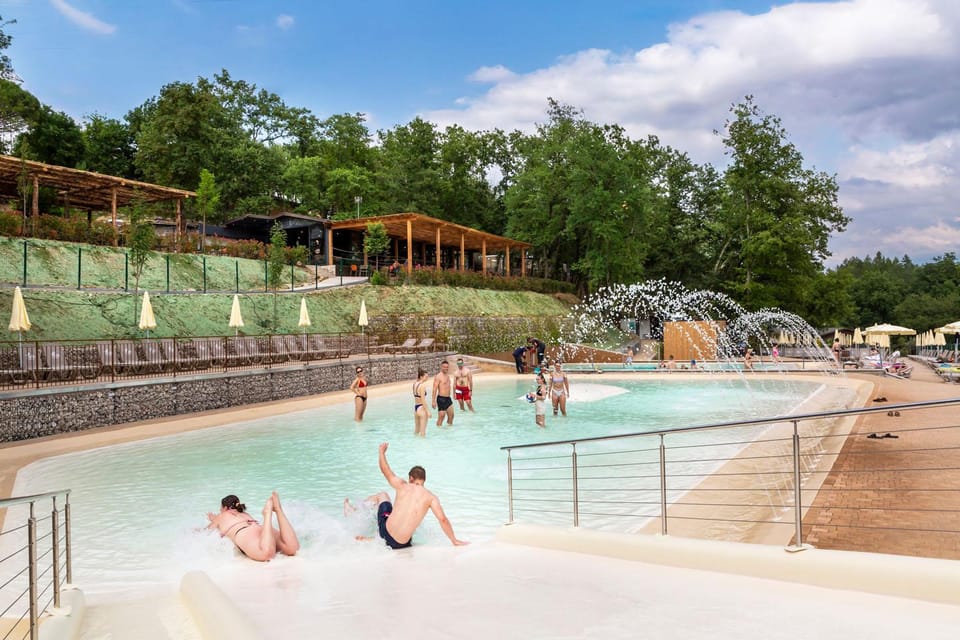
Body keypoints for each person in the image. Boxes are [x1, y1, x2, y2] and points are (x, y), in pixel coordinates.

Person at [354, 442, 468, 549]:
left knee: (382, 495)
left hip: (386, 534)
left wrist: (381, 452)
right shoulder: (431, 497)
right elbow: (443, 519)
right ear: (424, 480)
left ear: (411, 478)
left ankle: (355, 510)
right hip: (402, 545)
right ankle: (374, 539)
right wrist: (454, 540)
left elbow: (385, 470)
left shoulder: (403, 485)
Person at [206, 492, 300, 562]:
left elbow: (206, 531)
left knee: (266, 554)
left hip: (245, 532)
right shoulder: (245, 514)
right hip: (261, 528)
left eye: (220, 509)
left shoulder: (222, 515)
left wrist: (214, 520)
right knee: (292, 549)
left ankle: (267, 515)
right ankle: (278, 510)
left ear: (225, 508)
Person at [432, 359, 455, 427]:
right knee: (441, 417)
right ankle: (439, 431)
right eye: (444, 367)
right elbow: (434, 389)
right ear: (441, 367)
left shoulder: (447, 376)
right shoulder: (438, 376)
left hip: (448, 398)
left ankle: (449, 430)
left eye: (447, 367)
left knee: (451, 415)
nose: (446, 368)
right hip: (441, 399)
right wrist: (433, 401)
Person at [412, 368, 431, 437]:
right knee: (423, 433)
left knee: (416, 431)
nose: (427, 378)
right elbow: (423, 400)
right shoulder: (422, 386)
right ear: (421, 377)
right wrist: (428, 411)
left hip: (416, 408)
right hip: (421, 408)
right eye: (426, 377)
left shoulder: (415, 384)